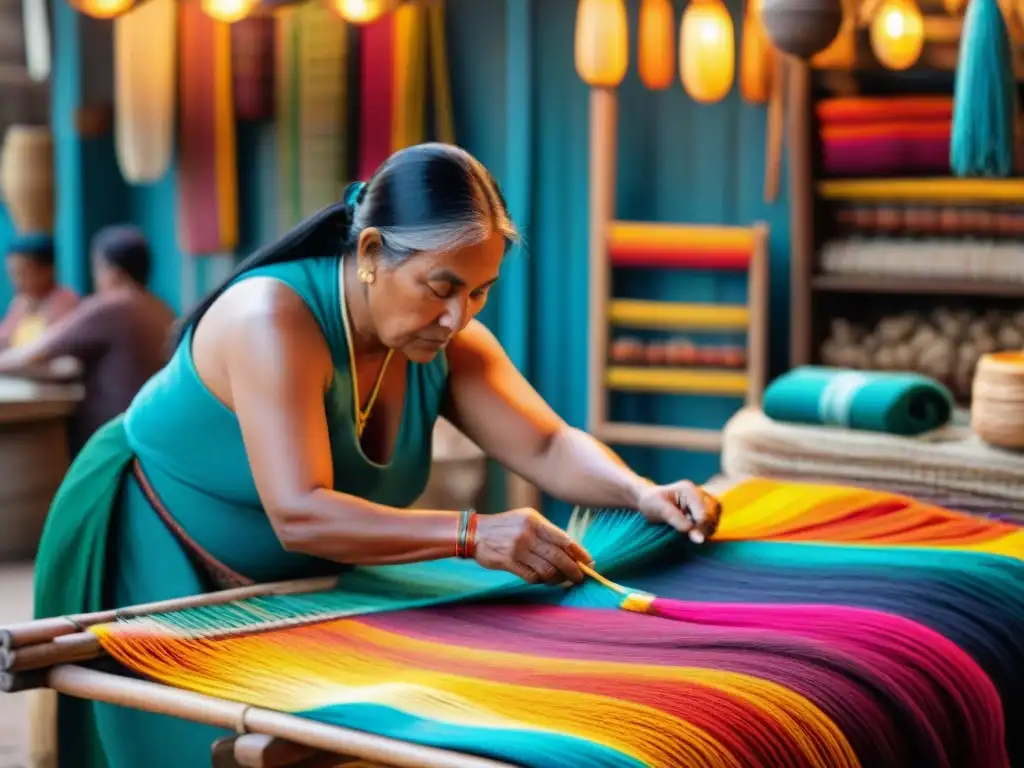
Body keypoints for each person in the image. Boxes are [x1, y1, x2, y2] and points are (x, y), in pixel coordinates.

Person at [32, 143, 721, 768]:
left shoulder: (444, 342)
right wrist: (472, 534)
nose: (460, 317)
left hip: (295, 592)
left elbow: (545, 442)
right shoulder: (270, 320)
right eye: (442, 286)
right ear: (368, 254)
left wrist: (640, 493)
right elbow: (301, 514)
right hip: (148, 550)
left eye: (480, 292)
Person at [0, 225, 176, 454]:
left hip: (117, 443)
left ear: (112, 270)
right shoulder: (162, 310)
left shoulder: (111, 306)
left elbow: (34, 353)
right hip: (154, 437)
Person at [0, 233, 79, 349]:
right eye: (13, 273)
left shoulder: (66, 303)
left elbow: (53, 348)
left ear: (47, 271)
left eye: (23, 273)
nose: (16, 281)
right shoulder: (20, 303)